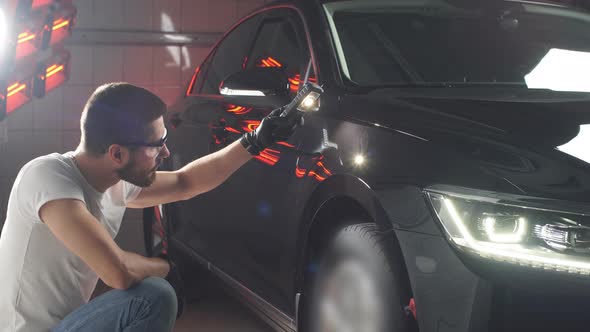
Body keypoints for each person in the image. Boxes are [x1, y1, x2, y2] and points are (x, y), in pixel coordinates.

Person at [0, 82, 301, 332]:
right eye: (157, 144)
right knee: (152, 296)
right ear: (117, 153)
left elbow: (186, 182)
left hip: (67, 324)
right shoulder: (48, 177)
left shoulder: (115, 181)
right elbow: (117, 271)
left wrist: (256, 140)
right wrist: (168, 269)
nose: (166, 152)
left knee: (149, 294)